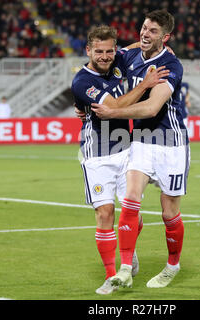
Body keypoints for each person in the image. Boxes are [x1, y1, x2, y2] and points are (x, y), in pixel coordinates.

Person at [91, 10, 189, 290]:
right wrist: (84, 102)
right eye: (144, 28)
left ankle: (172, 265)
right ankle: (124, 268)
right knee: (130, 199)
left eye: (153, 31)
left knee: (169, 213)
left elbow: (151, 107)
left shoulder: (170, 65)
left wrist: (112, 112)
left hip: (171, 142)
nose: (145, 34)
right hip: (142, 139)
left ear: (166, 37)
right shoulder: (131, 57)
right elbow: (104, 59)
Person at [71, 25, 169, 295]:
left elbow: (137, 46)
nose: (105, 56)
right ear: (88, 50)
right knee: (105, 213)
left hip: (128, 151)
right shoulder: (82, 81)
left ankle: (129, 250)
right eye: (99, 51)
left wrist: (163, 49)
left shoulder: (118, 60)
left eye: (109, 51)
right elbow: (112, 107)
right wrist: (147, 86)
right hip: (97, 157)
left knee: (132, 215)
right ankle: (111, 275)